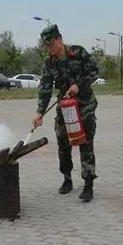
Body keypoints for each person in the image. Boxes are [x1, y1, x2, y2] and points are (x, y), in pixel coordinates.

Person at [34, 24, 100, 202]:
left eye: (51, 44)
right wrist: (40, 112)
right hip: (65, 106)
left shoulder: (78, 52)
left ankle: (88, 184)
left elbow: (94, 71)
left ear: (59, 39)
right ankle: (67, 178)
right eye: (46, 46)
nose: (49, 48)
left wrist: (79, 85)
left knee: (85, 142)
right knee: (62, 142)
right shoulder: (49, 63)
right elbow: (45, 88)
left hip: (85, 104)